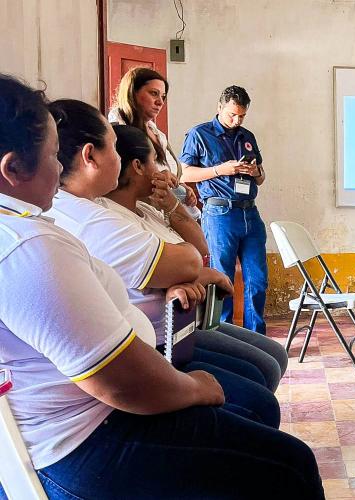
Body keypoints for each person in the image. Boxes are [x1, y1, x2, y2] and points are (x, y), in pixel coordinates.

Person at [0, 74, 323, 499]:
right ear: (12, 169)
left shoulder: (36, 226)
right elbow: (122, 383)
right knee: (291, 465)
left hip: (95, 411)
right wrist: (196, 388)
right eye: (53, 156)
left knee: (259, 393)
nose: (60, 170)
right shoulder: (29, 247)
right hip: (90, 435)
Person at [46, 99, 287, 392]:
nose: (164, 172)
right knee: (258, 386)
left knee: (269, 349)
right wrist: (190, 273)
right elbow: (192, 259)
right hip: (160, 336)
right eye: (155, 163)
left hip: (178, 323)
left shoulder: (146, 207)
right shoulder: (97, 219)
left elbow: (198, 251)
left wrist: (175, 208)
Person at [180, 86, 268, 334]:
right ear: (219, 108)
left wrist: (256, 172)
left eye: (241, 116)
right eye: (231, 114)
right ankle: (224, 335)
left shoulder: (247, 136)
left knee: (257, 279)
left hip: (249, 212)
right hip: (220, 213)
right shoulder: (199, 134)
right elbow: (185, 173)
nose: (236, 120)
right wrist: (220, 169)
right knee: (222, 279)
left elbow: (261, 178)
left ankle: (255, 337)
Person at [108, 67, 200, 218]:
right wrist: (158, 177)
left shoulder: (157, 133)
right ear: (133, 93)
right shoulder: (117, 132)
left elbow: (169, 171)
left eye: (163, 96)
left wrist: (180, 188)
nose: (160, 102)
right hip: (138, 215)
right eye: (153, 93)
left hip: (167, 214)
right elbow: (121, 182)